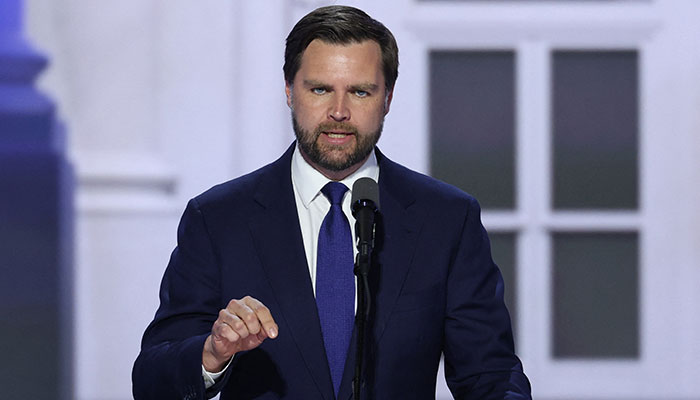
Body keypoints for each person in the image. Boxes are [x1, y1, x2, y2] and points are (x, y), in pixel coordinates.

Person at [133, 5, 531, 399]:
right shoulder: (218, 219)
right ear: (289, 91)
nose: (339, 112)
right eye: (320, 89)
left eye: (360, 91)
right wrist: (212, 353)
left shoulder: (446, 220)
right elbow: (152, 379)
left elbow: (491, 377)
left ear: (387, 98)